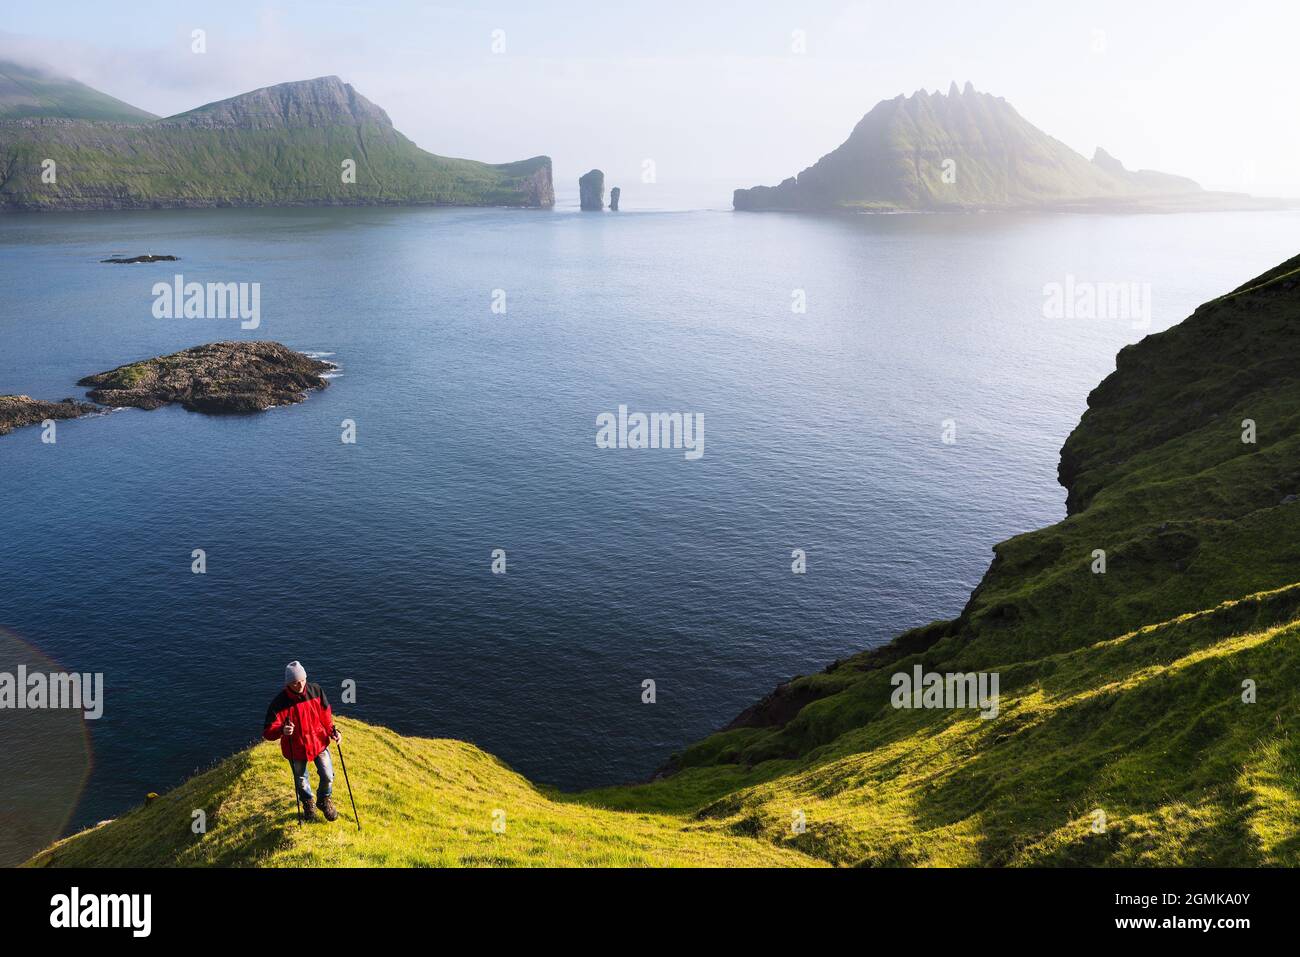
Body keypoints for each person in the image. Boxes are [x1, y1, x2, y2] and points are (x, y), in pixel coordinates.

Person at [263, 660, 341, 822]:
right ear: (288, 683)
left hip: (319, 742)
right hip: (296, 748)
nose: (299, 685)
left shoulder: (316, 690)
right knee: (301, 779)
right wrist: (281, 730)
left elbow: (325, 716)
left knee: (328, 775)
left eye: (302, 680)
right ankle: (308, 802)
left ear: (306, 677)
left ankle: (324, 799)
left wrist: (333, 731)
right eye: (294, 682)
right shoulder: (279, 703)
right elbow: (268, 732)